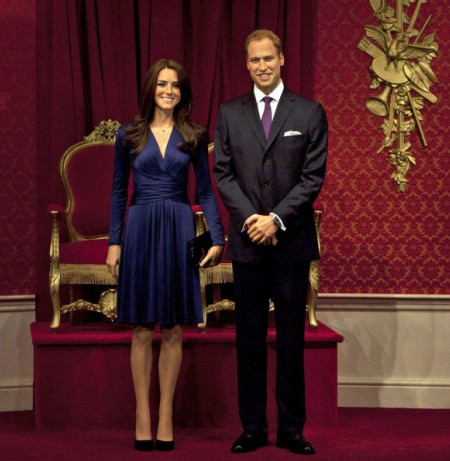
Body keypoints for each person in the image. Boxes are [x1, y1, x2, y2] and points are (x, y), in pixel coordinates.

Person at [213, 29, 328, 455]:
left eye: (268, 58)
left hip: (292, 244)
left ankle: (292, 430)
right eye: (254, 60)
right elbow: (222, 174)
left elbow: (312, 178)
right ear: (246, 64)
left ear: (281, 59)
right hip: (246, 244)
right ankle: (253, 429)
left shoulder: (310, 112)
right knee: (249, 342)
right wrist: (252, 221)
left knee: (291, 343)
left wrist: (277, 219)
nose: (261, 66)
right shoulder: (228, 113)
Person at [107, 58, 224, 452]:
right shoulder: (129, 134)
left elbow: (206, 190)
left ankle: (166, 415)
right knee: (141, 327)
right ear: (150, 89)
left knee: (173, 327)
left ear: (182, 91)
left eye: (175, 85)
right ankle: (143, 413)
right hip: (140, 228)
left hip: (177, 224)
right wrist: (114, 241)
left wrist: (217, 237)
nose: (168, 91)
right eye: (161, 84)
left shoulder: (193, 135)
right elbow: (119, 192)